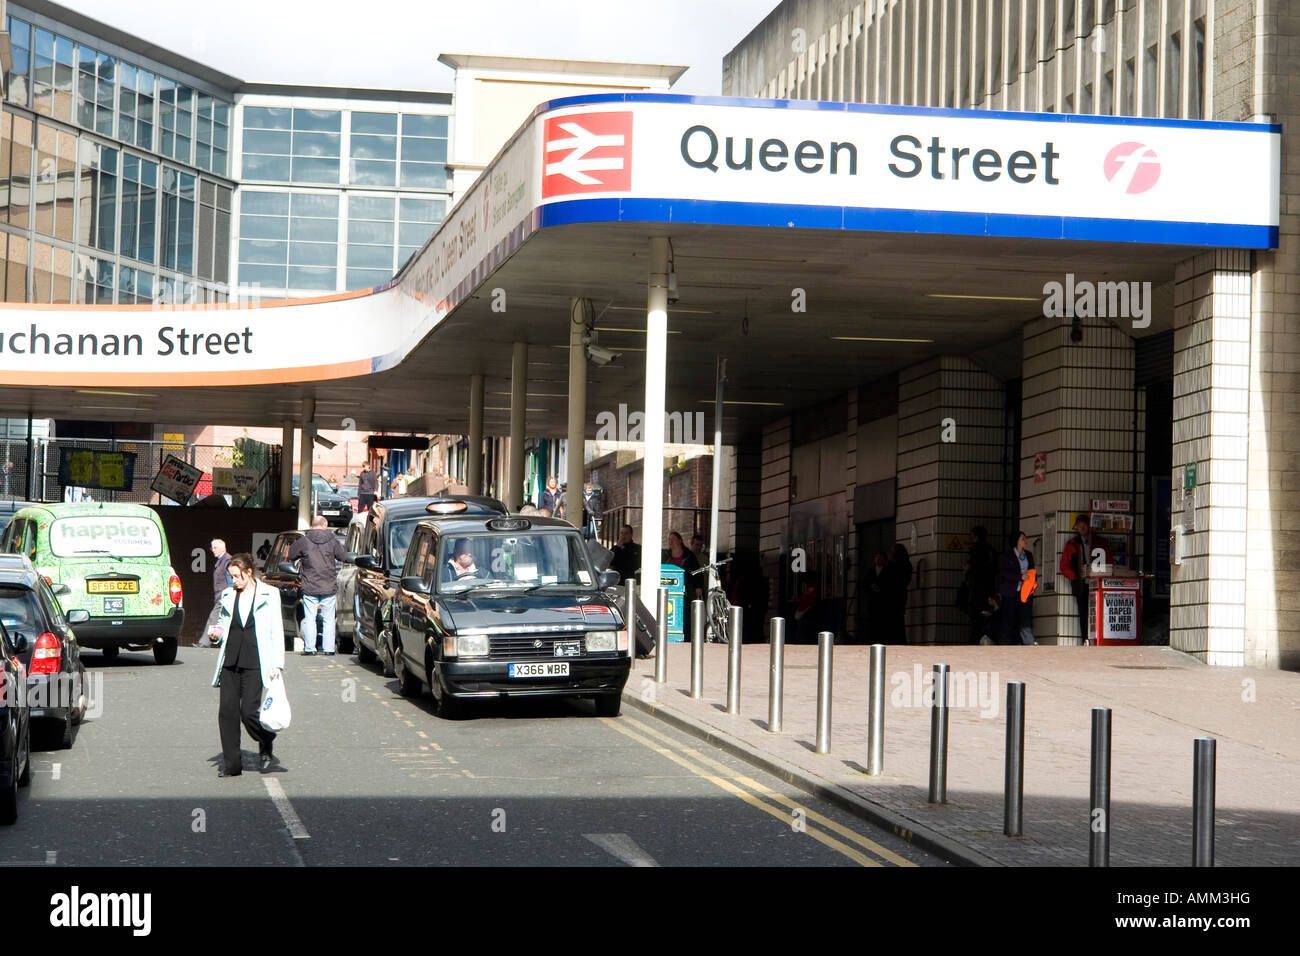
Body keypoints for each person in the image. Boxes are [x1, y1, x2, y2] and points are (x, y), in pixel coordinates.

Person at [208, 553, 284, 777]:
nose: (234, 581)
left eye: (237, 576)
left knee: (249, 712)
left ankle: (266, 739)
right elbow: (223, 623)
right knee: (227, 713)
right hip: (230, 660)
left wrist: (277, 663)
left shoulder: (271, 594)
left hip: (256, 660)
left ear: (249, 572)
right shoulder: (228, 594)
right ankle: (232, 765)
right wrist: (216, 633)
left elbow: (276, 630)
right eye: (231, 577)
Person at [288, 516, 347, 656]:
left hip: (310, 586)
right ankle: (329, 649)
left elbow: (291, 554)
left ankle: (310, 648)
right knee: (329, 619)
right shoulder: (333, 541)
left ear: (312, 525)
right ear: (324, 525)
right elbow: (343, 556)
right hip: (328, 585)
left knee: (310, 618)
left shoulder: (304, 541)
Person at [1060, 515, 1111, 645]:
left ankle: (1100, 639)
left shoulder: (1100, 542)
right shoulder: (1072, 544)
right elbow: (1064, 566)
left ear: (1089, 526)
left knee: (1099, 613)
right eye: (1079, 525)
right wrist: (1076, 577)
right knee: (1084, 614)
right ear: (1076, 527)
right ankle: (1086, 639)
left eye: (1084, 525)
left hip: (1098, 583)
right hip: (1081, 585)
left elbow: (1109, 561)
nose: (1082, 528)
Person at [999, 530, 1039, 645]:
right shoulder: (1007, 556)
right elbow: (1004, 573)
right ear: (1016, 541)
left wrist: (1033, 581)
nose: (1025, 541)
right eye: (1023, 539)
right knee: (1008, 619)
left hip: (1025, 592)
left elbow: (1032, 571)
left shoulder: (1029, 555)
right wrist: (1020, 577)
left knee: (1025, 619)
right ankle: (1005, 644)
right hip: (1011, 592)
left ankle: (1029, 642)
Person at [964, 526, 1000, 645]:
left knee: (975, 620)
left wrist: (967, 577)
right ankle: (984, 639)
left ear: (976, 536)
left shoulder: (975, 550)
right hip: (989, 590)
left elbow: (968, 568)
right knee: (987, 617)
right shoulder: (992, 551)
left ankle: (974, 642)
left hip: (976, 591)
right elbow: (996, 570)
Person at [664, 531, 701, 639]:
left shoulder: (689, 555)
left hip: (686, 591)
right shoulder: (666, 555)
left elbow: (697, 571)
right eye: (669, 539)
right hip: (669, 591)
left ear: (680, 540)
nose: (671, 542)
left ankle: (686, 636)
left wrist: (698, 587)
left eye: (673, 539)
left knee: (685, 614)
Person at [200, 538, 232, 648]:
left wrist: (228, 596)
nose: (213, 550)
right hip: (220, 596)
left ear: (222, 548)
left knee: (213, 617)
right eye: (212, 548)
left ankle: (204, 642)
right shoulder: (221, 561)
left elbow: (230, 581)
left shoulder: (227, 560)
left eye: (215, 547)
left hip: (224, 597)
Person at [879, 543, 913, 644]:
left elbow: (883, 580)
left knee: (891, 623)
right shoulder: (907, 565)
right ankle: (900, 641)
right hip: (900, 598)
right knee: (898, 621)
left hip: (890, 599)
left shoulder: (892, 566)